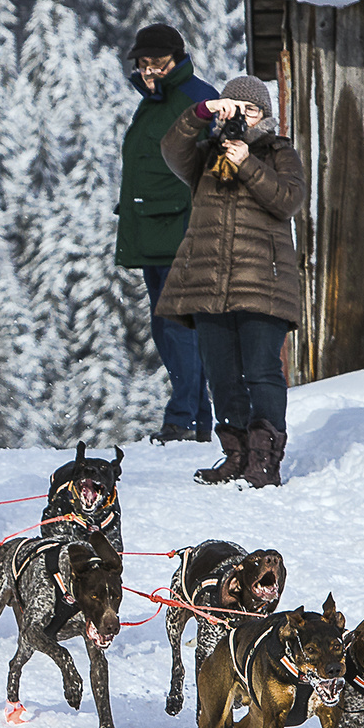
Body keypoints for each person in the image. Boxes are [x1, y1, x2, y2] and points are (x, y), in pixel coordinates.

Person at [155, 75, 304, 488]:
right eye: (234, 107)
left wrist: (247, 164)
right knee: (221, 373)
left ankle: (264, 460)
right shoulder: (204, 156)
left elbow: (288, 200)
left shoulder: (279, 153)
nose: (242, 116)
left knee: (261, 370)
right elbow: (170, 149)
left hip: (263, 284)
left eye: (250, 109)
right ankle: (235, 455)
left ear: (265, 116)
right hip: (208, 283)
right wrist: (199, 113)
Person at [114, 24, 218, 445]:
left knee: (179, 329)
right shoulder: (153, 103)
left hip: (182, 232)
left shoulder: (195, 99)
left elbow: (211, 166)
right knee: (168, 328)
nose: (149, 71)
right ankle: (195, 420)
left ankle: (185, 421)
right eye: (143, 64)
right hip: (154, 232)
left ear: (177, 59)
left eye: (157, 63)